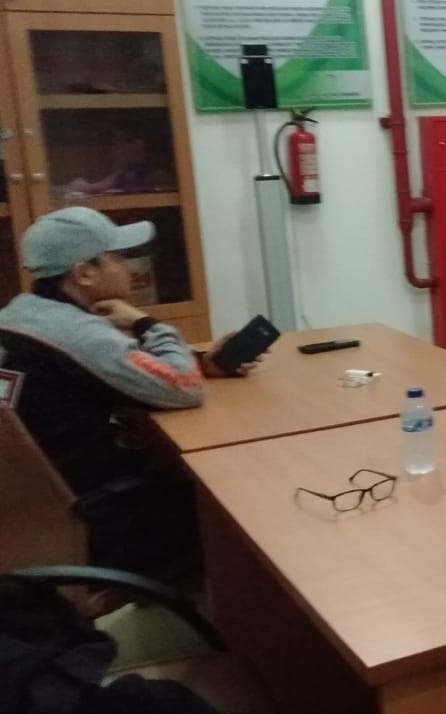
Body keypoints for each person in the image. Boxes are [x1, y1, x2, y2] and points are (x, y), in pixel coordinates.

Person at [0, 207, 258, 572]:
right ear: (84, 273)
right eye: (118, 256)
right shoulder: (78, 333)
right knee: (235, 503)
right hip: (96, 519)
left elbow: (110, 372)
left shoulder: (21, 315)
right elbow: (184, 389)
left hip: (32, 515)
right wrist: (146, 323)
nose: (130, 265)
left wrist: (200, 364)